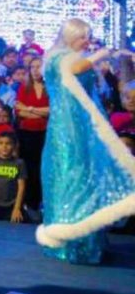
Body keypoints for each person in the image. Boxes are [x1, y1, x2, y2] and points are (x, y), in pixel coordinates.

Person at [36, 19, 135, 263]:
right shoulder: (59, 58)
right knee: (70, 176)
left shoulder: (78, 57)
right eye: (82, 37)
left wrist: (117, 60)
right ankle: (70, 243)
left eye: (88, 37)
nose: (86, 41)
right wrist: (101, 53)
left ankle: (89, 241)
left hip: (84, 126)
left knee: (88, 177)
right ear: (69, 36)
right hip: (67, 129)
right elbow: (76, 68)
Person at [15, 55, 49, 216]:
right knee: (29, 169)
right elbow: (19, 111)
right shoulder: (23, 87)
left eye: (39, 66)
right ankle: (30, 203)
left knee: (44, 168)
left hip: (46, 134)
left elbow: (53, 110)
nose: (36, 70)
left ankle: (43, 202)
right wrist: (39, 112)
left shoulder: (51, 87)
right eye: (33, 67)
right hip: (27, 134)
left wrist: (29, 109)